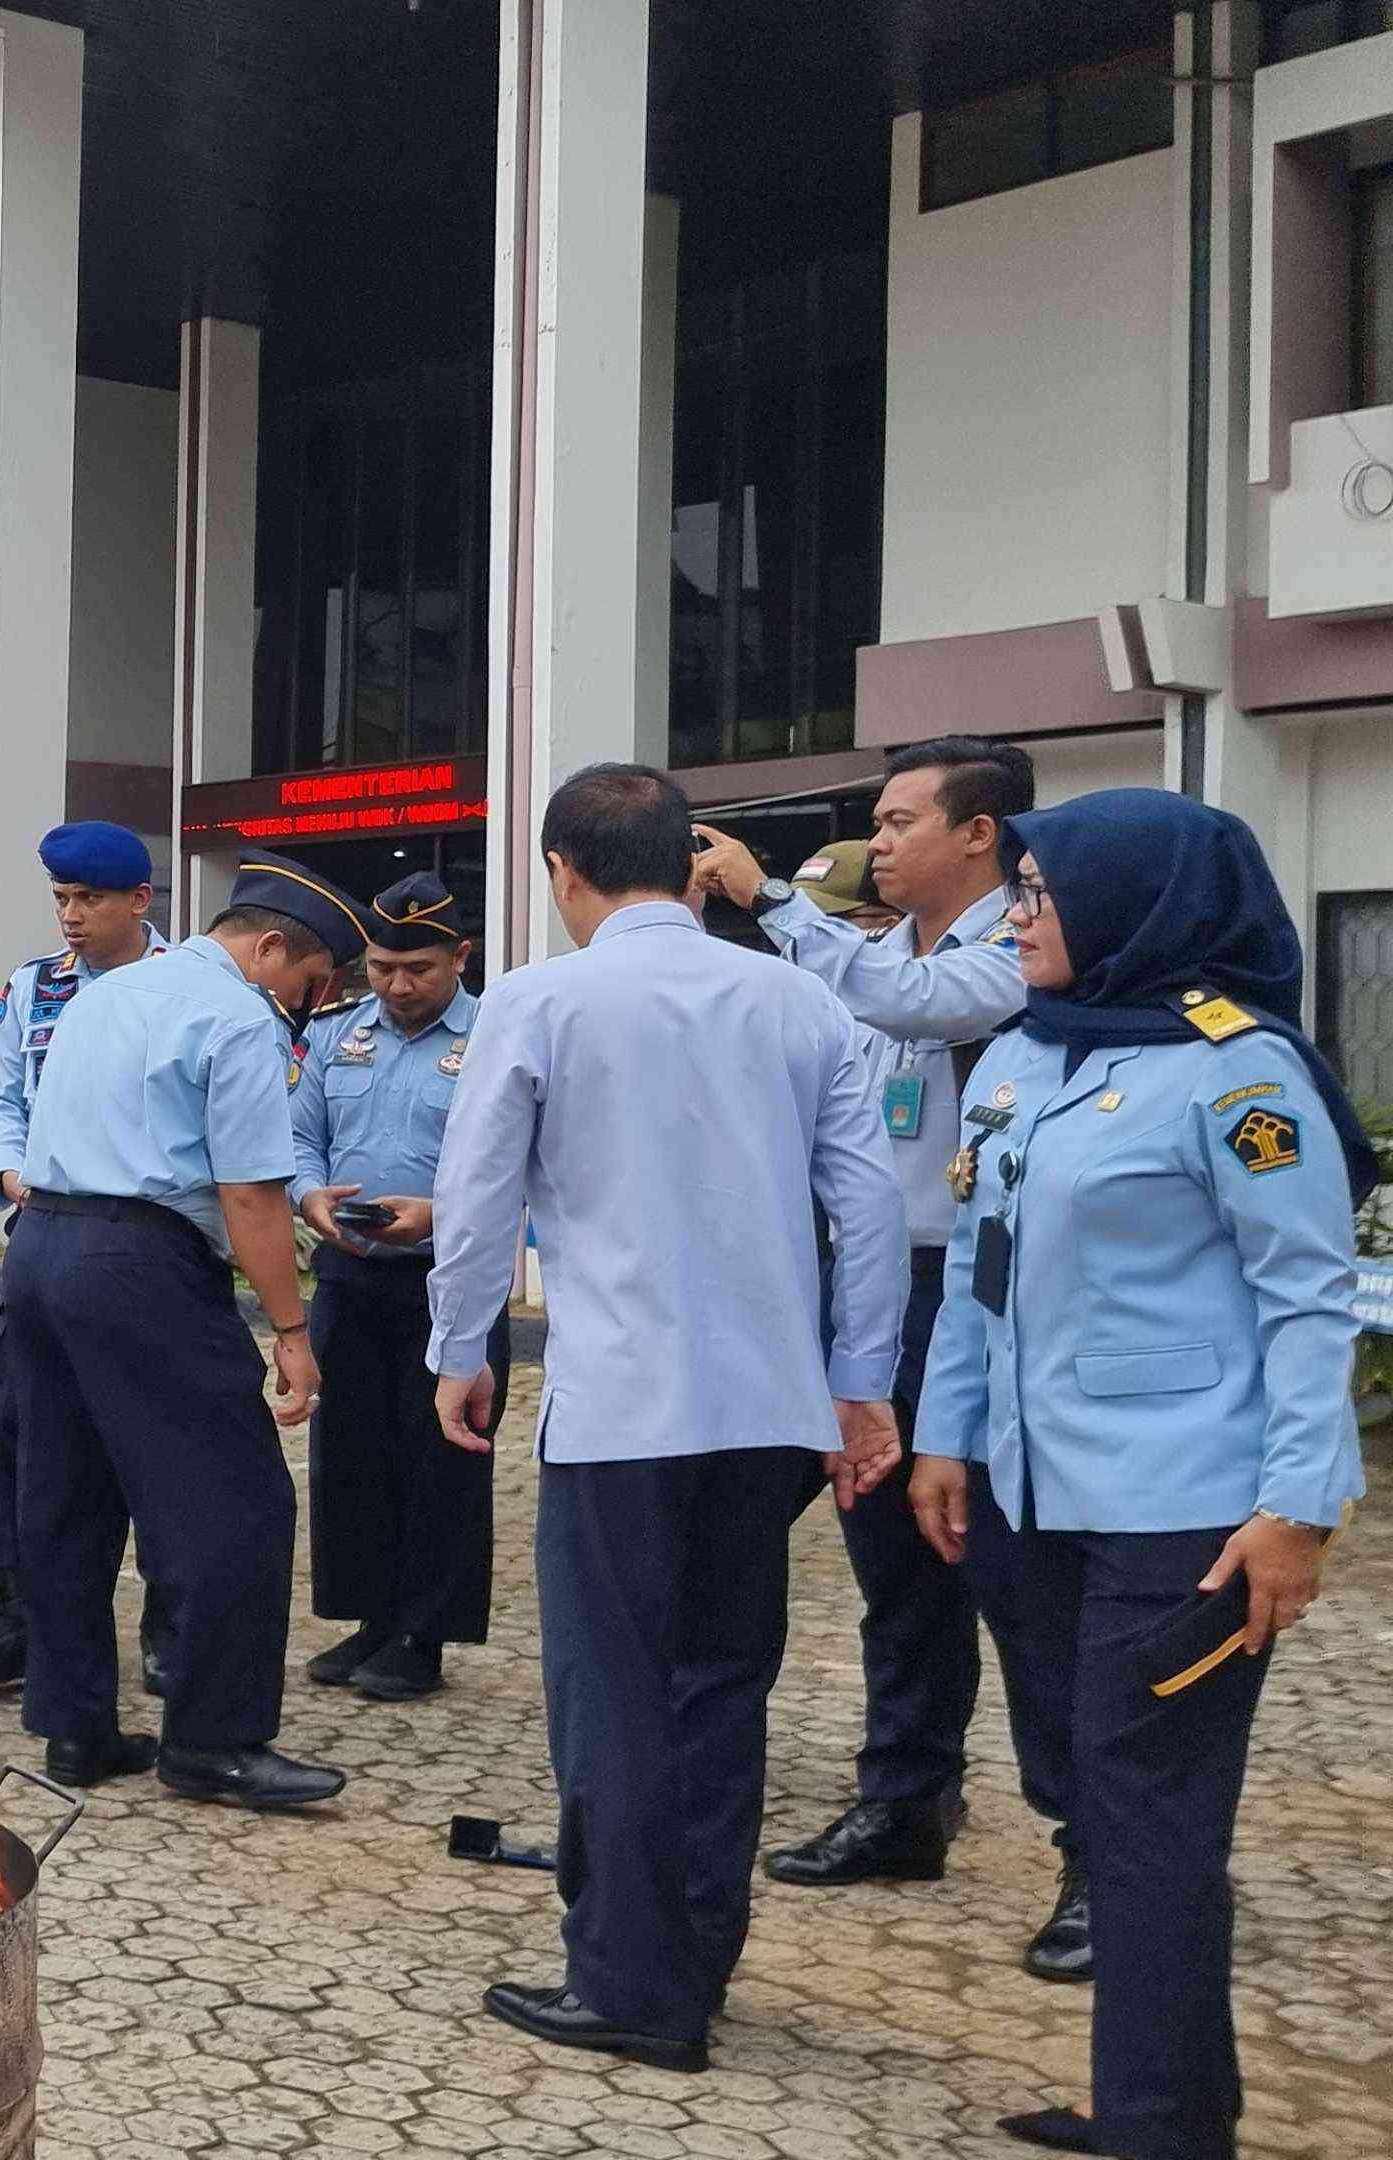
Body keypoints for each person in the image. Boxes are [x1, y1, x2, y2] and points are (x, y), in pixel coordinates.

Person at [906, 790, 1366, 2160]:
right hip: (1030, 1495)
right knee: (1102, 1801)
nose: (1020, 917)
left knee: (1149, 1810)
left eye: (1041, 896)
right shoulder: (1024, 1058)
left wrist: (1301, 1507)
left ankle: (1161, 2125)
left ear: (1138, 906)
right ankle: (1161, 2098)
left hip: (1190, 1513)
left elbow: (1307, 1298)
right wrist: (947, 1435)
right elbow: (980, 1281)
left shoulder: (1240, 1072)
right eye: (1021, 893)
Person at [431, 762, 906, 2075]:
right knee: (720, 1691)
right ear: (693, 868)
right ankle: (696, 1957)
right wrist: (859, 1384)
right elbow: (867, 1209)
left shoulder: (540, 1000)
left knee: (616, 1698)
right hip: (770, 1412)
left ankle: (631, 1984)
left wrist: (458, 1347)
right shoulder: (800, 999)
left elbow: (475, 1200)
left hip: (622, 1412)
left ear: (560, 870)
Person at [694, 738, 1076, 1969]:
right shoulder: (881, 956)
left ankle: (1096, 1852)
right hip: (875, 1283)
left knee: (1008, 1570)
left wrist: (767, 898)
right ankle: (905, 1801)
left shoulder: (1013, 944)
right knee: (890, 1560)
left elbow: (920, 1012)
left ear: (981, 832)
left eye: (904, 817)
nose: (885, 836)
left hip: (983, 1295)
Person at [1, 851, 363, 1804]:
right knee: (236, 1505)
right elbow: (248, 1195)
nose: (305, 1003)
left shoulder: (104, 994)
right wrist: (290, 1330)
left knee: (68, 1499)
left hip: (41, 1251)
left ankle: (73, 1729)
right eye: (310, 983)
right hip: (140, 1267)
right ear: (273, 947)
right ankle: (214, 1741)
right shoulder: (234, 1014)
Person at [0, 821, 162, 1687]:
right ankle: (22, 1613)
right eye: (62, 900)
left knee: (150, 1438)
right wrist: (7, 1168)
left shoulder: (182, 988)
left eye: (91, 900)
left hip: (145, 1246)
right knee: (21, 1429)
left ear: (140, 901)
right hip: (44, 1240)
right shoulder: (37, 989)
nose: (71, 917)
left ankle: (167, 1624)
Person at [287, 870, 499, 1703]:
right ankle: (369, 1617)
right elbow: (300, 1136)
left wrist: (439, 1214)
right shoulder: (338, 1038)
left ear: (459, 956)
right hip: (348, 1273)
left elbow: (520, 1166)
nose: (399, 986)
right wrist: (310, 1198)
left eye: (419, 969)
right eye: (381, 968)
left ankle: (423, 1634)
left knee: (441, 1455)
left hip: (450, 1279)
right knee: (352, 1455)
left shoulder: (494, 1038)